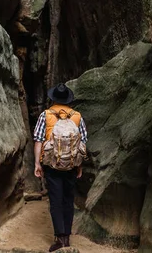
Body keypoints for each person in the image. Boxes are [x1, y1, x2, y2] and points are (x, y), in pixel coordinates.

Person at [33, 83, 88, 251]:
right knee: (68, 200)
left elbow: (38, 140)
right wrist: (79, 165)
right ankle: (67, 238)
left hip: (52, 165)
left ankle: (59, 239)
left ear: (53, 99)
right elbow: (83, 142)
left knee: (55, 201)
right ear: (68, 100)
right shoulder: (77, 116)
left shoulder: (46, 115)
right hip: (71, 165)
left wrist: (37, 163)